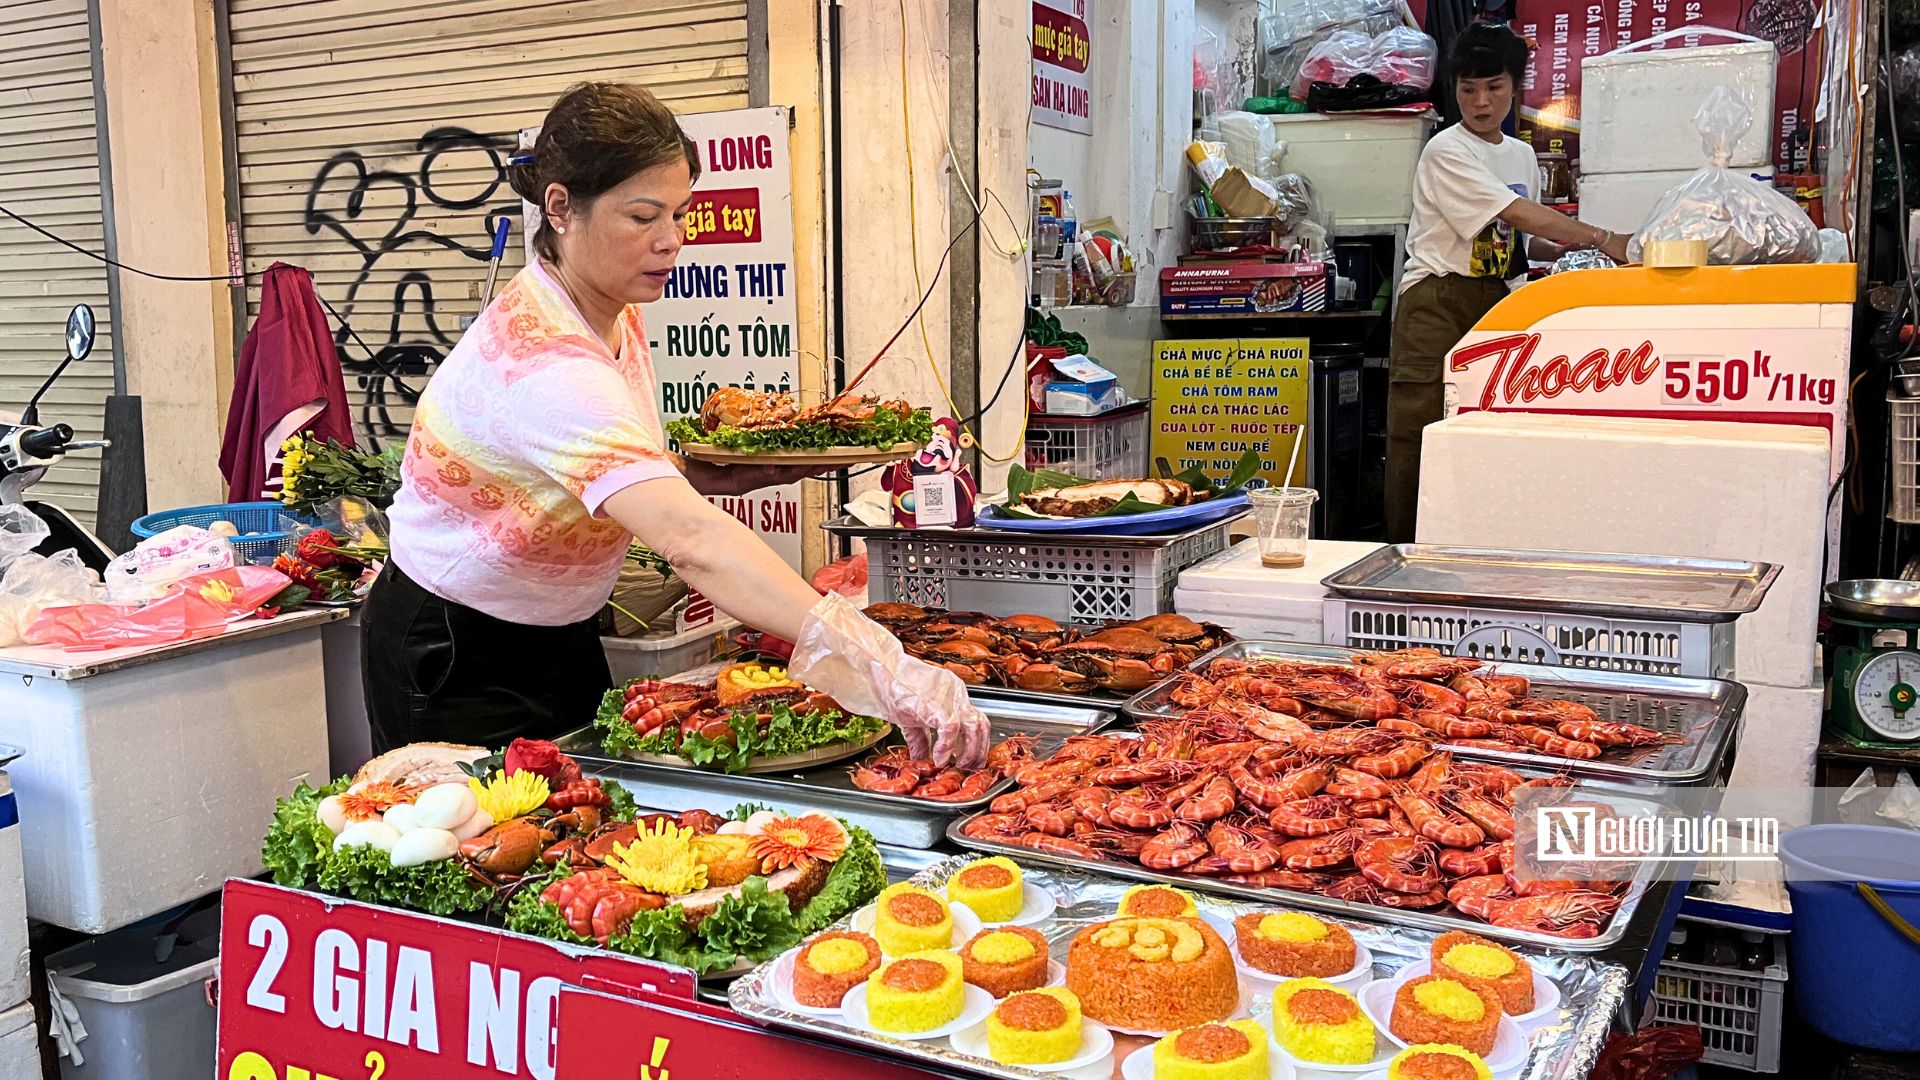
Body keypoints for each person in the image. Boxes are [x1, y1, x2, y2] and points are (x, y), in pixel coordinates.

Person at [360, 82, 989, 766]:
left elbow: (589, 474)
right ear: (561, 207)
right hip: (456, 647)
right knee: (488, 845)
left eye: (681, 214)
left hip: (560, 630)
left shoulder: (611, 308)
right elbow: (690, 541)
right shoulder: (543, 361)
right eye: (643, 217)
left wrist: (700, 474)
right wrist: (873, 654)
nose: (672, 241)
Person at [1384, 23, 1631, 542]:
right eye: (1467, 89)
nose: (1480, 101)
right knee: (1420, 432)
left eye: (1494, 86)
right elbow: (1516, 211)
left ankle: (1472, 542)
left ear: (1515, 88)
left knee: (1487, 431)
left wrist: (1567, 246)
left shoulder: (1520, 155)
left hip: (1499, 300)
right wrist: (1604, 236)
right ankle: (1407, 551)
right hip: (1436, 300)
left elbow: (1519, 241)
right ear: (1453, 90)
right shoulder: (1445, 150)